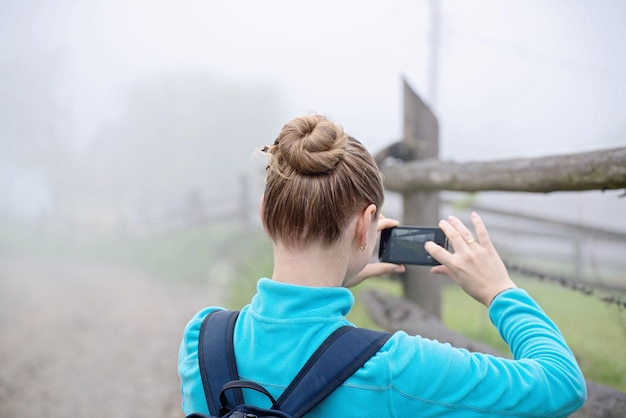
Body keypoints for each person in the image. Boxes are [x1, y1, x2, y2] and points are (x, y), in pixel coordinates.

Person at [178, 114, 587, 417]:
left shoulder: (202, 340)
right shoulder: (396, 366)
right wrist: (502, 293)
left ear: (265, 212)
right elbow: (561, 384)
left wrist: (337, 271)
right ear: (364, 224)